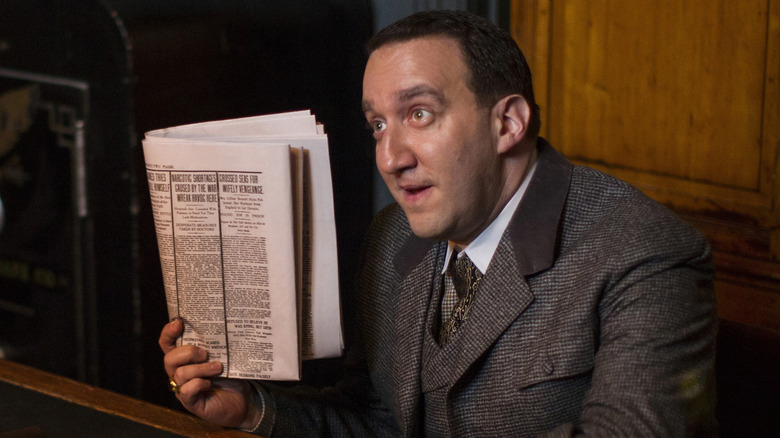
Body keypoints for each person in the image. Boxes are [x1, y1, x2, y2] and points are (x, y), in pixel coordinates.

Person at [160, 10, 718, 437]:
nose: (390, 157)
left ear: (508, 123)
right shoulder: (393, 237)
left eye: (418, 114)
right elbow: (380, 421)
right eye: (378, 125)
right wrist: (254, 407)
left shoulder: (645, 253)